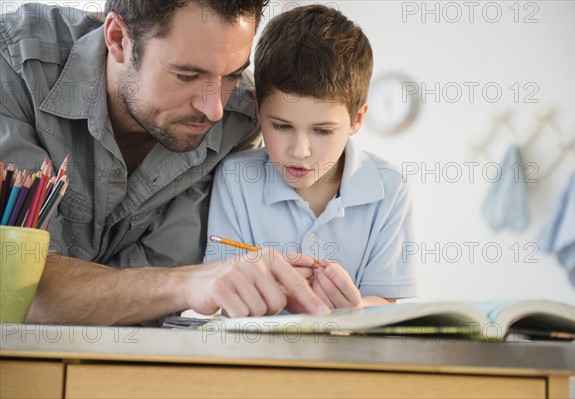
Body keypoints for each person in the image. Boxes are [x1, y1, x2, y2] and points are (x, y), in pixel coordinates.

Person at [0, 0, 329, 325]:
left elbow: (150, 304)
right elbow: (17, 290)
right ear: (118, 39)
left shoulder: (239, 120)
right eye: (187, 76)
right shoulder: (13, 68)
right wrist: (186, 283)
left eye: (232, 75)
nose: (214, 109)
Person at [204, 5, 417, 309]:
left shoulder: (390, 187)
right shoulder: (235, 178)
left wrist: (352, 311)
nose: (299, 151)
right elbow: (220, 295)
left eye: (322, 131)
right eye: (281, 126)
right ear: (257, 108)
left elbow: (383, 301)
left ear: (357, 119)